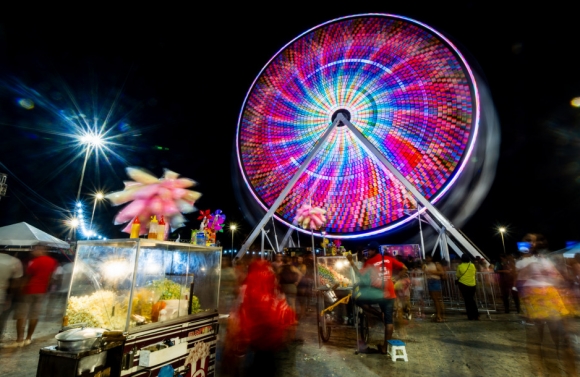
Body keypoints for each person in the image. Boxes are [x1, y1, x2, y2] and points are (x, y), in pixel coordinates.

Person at [515, 237, 577, 375]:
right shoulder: (544, 260)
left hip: (542, 299)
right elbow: (559, 279)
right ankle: (551, 370)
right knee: (549, 338)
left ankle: (552, 370)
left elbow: (519, 283)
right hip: (544, 298)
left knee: (543, 339)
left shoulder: (533, 261)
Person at [346, 241, 407, 354]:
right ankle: (384, 348)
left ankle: (379, 314)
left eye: (369, 250)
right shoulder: (388, 259)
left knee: (357, 299)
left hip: (377, 293)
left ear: (374, 250)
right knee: (389, 321)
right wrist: (396, 277)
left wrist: (351, 262)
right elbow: (405, 268)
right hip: (390, 293)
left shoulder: (369, 262)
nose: (367, 252)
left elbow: (359, 275)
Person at [5, 245, 58, 348]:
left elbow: (28, 276)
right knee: (34, 315)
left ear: (42, 250)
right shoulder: (52, 261)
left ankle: (19, 340)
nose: (33, 251)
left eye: (36, 249)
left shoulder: (34, 261)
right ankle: (28, 338)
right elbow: (51, 277)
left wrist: (20, 288)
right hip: (41, 292)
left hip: (29, 290)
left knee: (22, 315)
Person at [0, 251, 23, 342]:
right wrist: (10, 297)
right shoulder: (14, 261)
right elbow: (16, 281)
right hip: (2, 293)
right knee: (1, 318)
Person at [456, 253, 479, 320]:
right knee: (472, 300)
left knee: (467, 301)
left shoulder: (460, 266)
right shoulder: (472, 265)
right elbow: (474, 272)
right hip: (472, 284)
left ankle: (470, 316)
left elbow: (458, 275)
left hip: (463, 285)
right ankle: (476, 315)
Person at [423, 255, 445, 322]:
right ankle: (439, 315)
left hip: (435, 281)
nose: (426, 259)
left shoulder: (436, 264)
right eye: (426, 258)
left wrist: (432, 272)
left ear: (431, 258)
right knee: (435, 299)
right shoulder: (426, 265)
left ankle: (439, 315)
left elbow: (442, 272)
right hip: (430, 281)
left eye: (427, 257)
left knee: (437, 299)